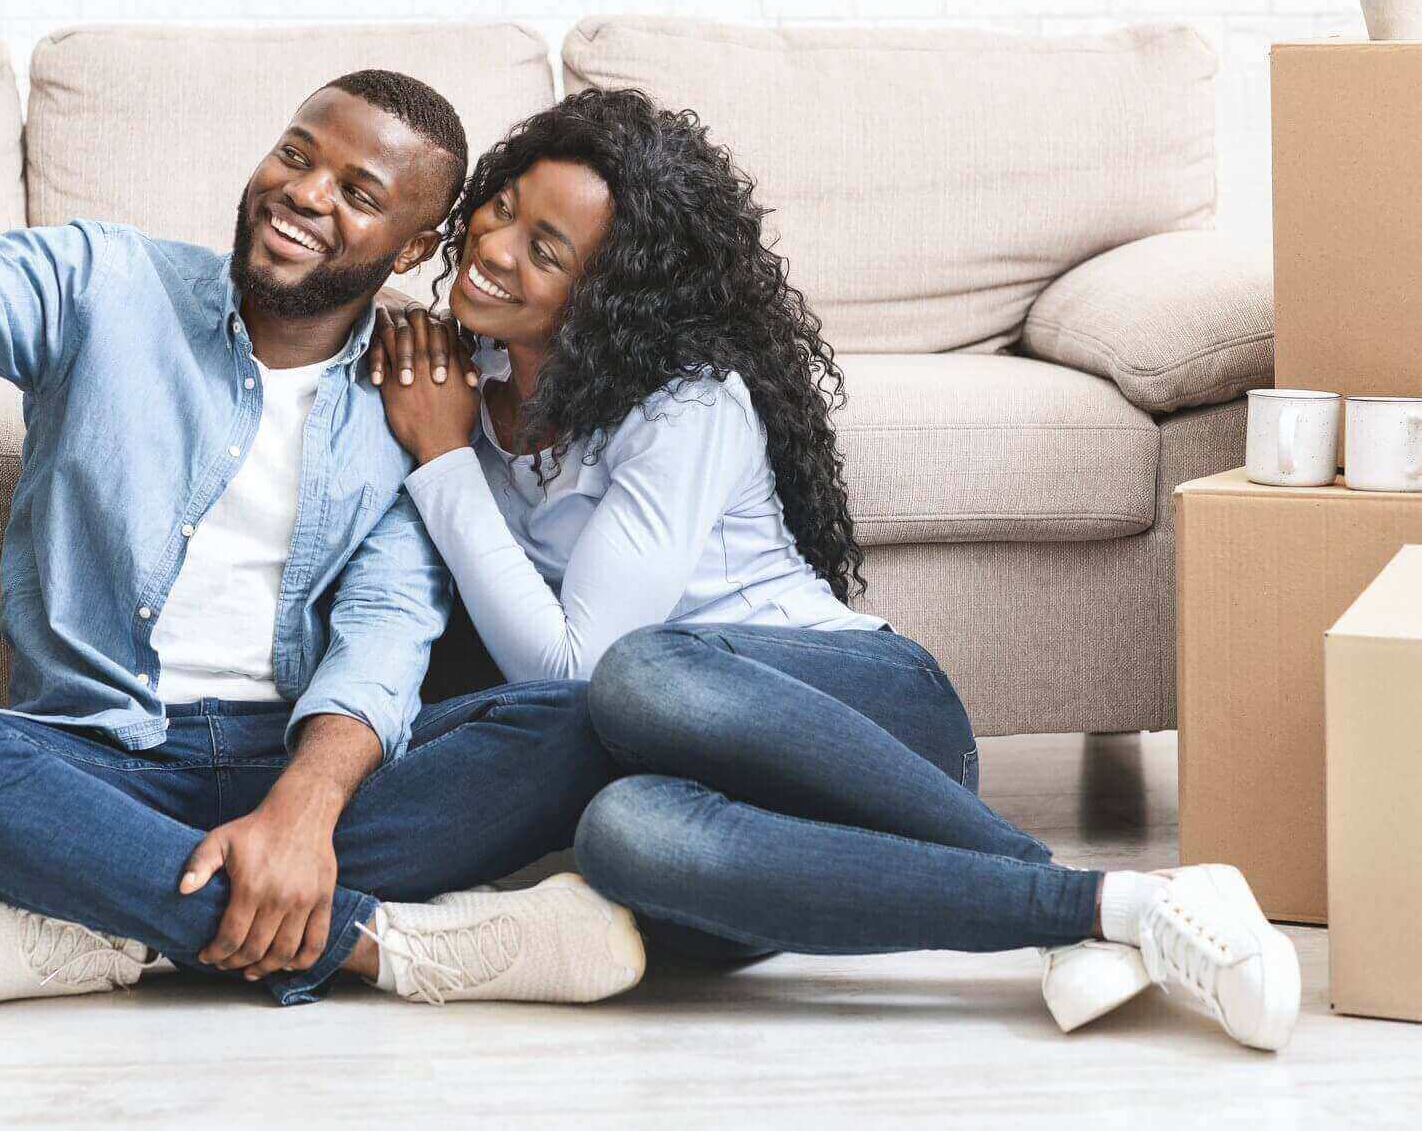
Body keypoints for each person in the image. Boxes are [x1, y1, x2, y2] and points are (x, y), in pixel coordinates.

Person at [0, 0, 648, 1009]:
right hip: (101, 756)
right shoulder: (102, 285)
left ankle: (102, 922)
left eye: (360, 193)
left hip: (296, 753)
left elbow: (384, 629)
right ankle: (380, 947)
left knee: (576, 727)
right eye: (296, 152)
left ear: (412, 249)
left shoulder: (414, 388)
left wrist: (302, 811)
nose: (305, 193)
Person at [370, 87, 1302, 1050]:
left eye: (546, 248)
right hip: (706, 780)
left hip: (867, 721)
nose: (492, 244)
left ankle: (1091, 899)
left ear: (610, 296)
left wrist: (442, 463)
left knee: (640, 670)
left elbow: (572, 671)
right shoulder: (453, 382)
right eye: (504, 204)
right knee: (620, 836)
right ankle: (1091, 908)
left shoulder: (684, 404)